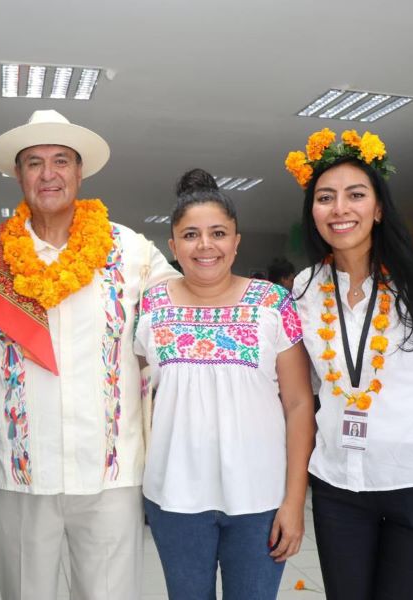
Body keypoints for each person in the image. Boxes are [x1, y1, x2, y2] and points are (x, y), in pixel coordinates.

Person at [0, 109, 179, 600]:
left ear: (81, 173)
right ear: (18, 175)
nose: (48, 174)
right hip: (19, 465)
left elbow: (181, 321)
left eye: (61, 161)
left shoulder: (131, 251)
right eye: (34, 163)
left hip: (111, 467)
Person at [285, 129, 413, 599]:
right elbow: (306, 385)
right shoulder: (306, 289)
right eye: (325, 198)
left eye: (355, 195)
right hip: (338, 486)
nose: (339, 209)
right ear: (313, 212)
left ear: (378, 207)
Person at [134, 169, 313, 600]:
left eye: (218, 232)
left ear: (236, 240)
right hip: (174, 499)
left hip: (260, 500)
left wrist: (293, 502)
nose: (205, 245)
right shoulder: (152, 304)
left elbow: (298, 404)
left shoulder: (273, 302)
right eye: (190, 235)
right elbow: (135, 392)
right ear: (173, 246)